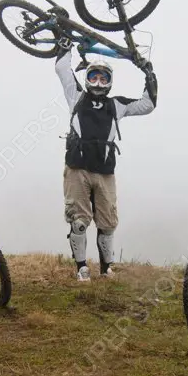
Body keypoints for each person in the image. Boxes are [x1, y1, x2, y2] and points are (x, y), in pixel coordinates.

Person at [55, 50, 158, 281]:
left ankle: (105, 269)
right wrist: (65, 46)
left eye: (103, 78)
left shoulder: (117, 105)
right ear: (86, 79)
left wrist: (148, 73)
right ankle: (81, 268)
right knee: (79, 222)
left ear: (110, 81)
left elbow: (148, 104)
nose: (98, 82)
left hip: (105, 172)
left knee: (108, 223)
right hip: (77, 169)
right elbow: (62, 70)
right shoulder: (76, 96)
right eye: (93, 77)